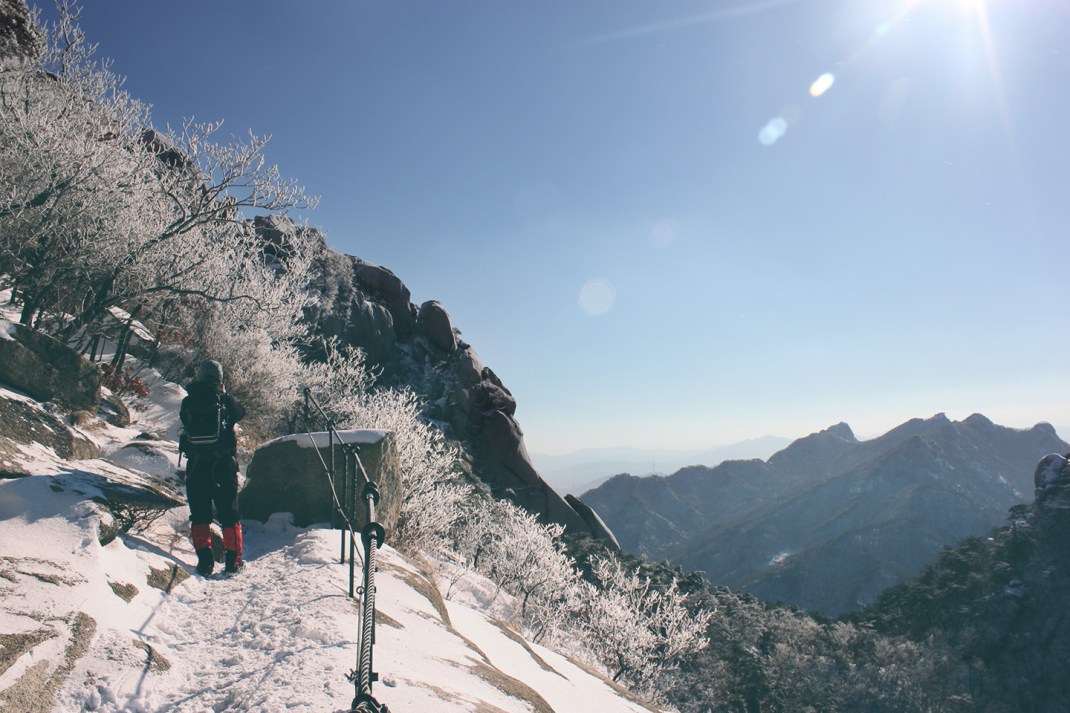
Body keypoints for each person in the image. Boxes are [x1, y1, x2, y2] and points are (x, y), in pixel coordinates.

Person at [179, 359, 247, 576]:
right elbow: (241, 411)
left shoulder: (188, 402)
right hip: (223, 466)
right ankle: (233, 563)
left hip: (196, 465)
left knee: (199, 515)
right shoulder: (225, 401)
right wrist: (224, 393)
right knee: (229, 515)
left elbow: (184, 421)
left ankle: (205, 562)